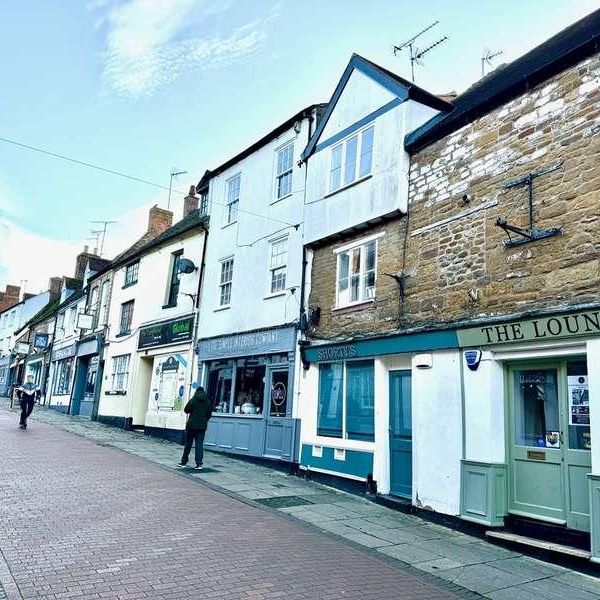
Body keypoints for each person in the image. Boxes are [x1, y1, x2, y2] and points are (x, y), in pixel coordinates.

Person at [178, 386, 212, 470]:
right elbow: (209, 414)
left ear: (196, 392)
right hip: (201, 427)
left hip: (191, 426)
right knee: (199, 445)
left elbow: (186, 410)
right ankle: (199, 464)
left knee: (188, 444)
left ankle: (183, 462)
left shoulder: (193, 400)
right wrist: (204, 421)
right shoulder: (208, 402)